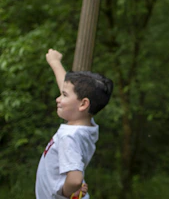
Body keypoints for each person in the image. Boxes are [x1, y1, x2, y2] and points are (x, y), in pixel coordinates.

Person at [36, 49, 113, 199]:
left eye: (63, 95)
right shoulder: (85, 123)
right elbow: (71, 93)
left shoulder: (68, 136)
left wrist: (67, 194)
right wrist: (55, 62)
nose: (58, 99)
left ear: (83, 104)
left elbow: (76, 179)